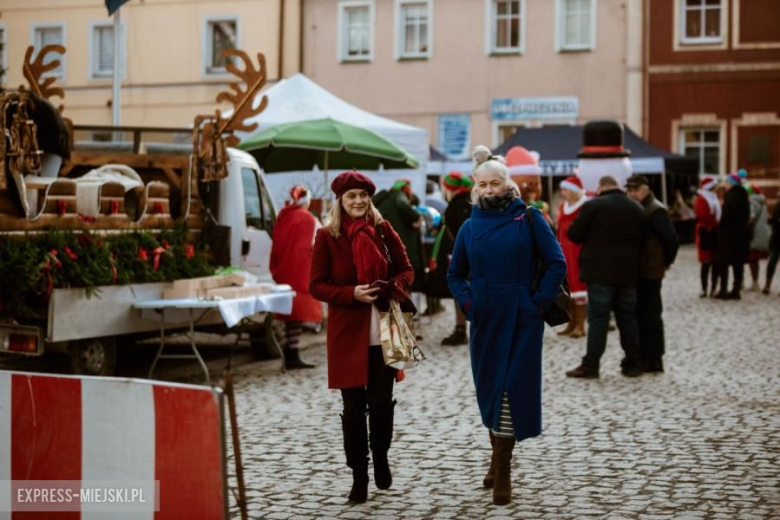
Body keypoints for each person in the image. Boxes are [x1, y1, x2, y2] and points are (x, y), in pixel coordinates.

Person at [447, 146, 566, 505]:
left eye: (494, 184)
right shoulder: (469, 226)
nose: (488, 190)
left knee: (511, 389)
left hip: (521, 316)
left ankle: (503, 469)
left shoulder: (529, 218)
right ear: (475, 186)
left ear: (507, 184)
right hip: (485, 317)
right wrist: (469, 303)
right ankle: (497, 458)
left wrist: (536, 302)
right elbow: (455, 274)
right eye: (482, 184)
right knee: (491, 390)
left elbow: (556, 262)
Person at [309, 171, 416, 504]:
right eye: (351, 195)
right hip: (347, 335)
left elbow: (406, 269)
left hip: (384, 332)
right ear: (340, 200)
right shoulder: (327, 237)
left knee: (381, 405)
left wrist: (392, 286)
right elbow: (316, 285)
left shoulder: (383, 230)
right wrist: (350, 293)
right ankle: (359, 475)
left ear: (370, 198)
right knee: (353, 411)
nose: (358, 200)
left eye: (363, 195)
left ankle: (381, 454)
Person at [565, 175, 646, 379]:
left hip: (599, 272)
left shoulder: (594, 206)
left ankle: (591, 365)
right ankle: (633, 364)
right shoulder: (636, 208)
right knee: (628, 318)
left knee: (598, 319)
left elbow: (574, 234)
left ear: (600, 187)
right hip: (628, 272)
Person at [625, 175, 679, 374]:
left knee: (651, 315)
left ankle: (654, 358)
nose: (632, 194)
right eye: (629, 190)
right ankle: (644, 355)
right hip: (640, 270)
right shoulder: (640, 208)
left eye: (636, 189)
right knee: (641, 314)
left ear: (646, 189)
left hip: (650, 271)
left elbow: (671, 240)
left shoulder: (655, 210)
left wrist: (665, 262)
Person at [269, 185, 322, 369]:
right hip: (301, 269)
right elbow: (317, 243)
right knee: (299, 312)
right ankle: (292, 352)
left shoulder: (284, 216)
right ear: (306, 200)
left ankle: (289, 351)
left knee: (290, 312)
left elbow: (276, 243)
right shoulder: (308, 218)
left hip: (285, 268)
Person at [428, 172, 474, 345]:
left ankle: (462, 330)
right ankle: (460, 328)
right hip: (457, 255)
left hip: (460, 256)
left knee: (462, 291)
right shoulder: (460, 202)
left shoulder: (463, 204)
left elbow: (462, 233)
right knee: (460, 292)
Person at [374, 179, 426, 295]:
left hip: (385, 247)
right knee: (404, 280)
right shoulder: (399, 195)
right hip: (401, 246)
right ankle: (404, 310)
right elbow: (402, 204)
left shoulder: (384, 200)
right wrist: (416, 217)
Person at [555, 176, 589, 338]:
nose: (563, 193)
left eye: (566, 189)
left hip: (578, 251)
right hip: (564, 251)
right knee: (568, 287)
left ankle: (580, 325)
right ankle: (571, 323)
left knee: (579, 286)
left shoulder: (584, 206)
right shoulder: (563, 207)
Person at [715, 174, 751, 300]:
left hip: (728, 235)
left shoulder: (731, 196)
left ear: (731, 183)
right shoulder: (744, 196)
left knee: (723, 262)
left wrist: (721, 226)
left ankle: (723, 289)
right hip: (741, 235)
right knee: (738, 263)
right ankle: (736, 289)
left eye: (727, 182)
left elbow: (726, 215)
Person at [694, 177, 721, 297]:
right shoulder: (702, 199)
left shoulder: (714, 198)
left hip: (715, 232)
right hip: (706, 232)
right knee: (706, 262)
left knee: (715, 262)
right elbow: (703, 215)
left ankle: (713, 288)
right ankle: (704, 288)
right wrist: (716, 223)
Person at [747, 184, 770, 291]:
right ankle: (756, 282)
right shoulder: (762, 201)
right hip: (762, 232)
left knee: (752, 259)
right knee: (755, 259)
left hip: (754, 233)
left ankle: (755, 283)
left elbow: (751, 216)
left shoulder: (753, 201)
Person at [763, 201, 780, 295]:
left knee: (772, 262)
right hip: (776, 238)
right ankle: (767, 285)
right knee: (772, 262)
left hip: (776, 237)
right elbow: (774, 219)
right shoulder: (777, 204)